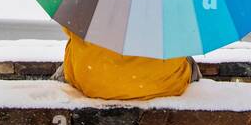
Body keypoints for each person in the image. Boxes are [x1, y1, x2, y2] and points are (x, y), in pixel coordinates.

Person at [53, 28, 201, 101]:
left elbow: (70, 27)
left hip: (93, 78)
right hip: (160, 83)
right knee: (187, 61)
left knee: (70, 62)